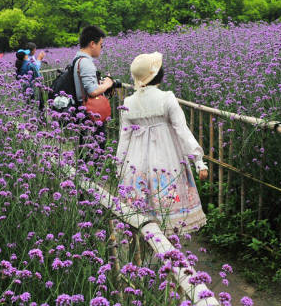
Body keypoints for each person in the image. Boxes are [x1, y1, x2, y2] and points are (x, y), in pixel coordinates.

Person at [116, 52, 208, 236]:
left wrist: (119, 167)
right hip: (167, 160)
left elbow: (124, 138)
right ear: (158, 75)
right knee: (168, 216)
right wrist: (198, 161)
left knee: (139, 217)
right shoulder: (166, 98)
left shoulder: (128, 102)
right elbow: (182, 130)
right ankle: (169, 253)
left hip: (136, 163)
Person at [72, 25, 115, 155]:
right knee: (95, 152)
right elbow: (92, 91)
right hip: (90, 115)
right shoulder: (86, 62)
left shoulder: (78, 59)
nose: (101, 48)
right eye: (101, 45)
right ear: (92, 44)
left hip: (84, 112)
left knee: (86, 151)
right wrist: (107, 83)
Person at [15, 49, 45, 120]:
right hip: (34, 90)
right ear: (25, 56)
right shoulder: (30, 64)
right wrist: (41, 88)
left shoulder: (18, 66)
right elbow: (38, 76)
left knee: (28, 108)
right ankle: (40, 123)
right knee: (39, 108)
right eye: (26, 54)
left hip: (24, 91)